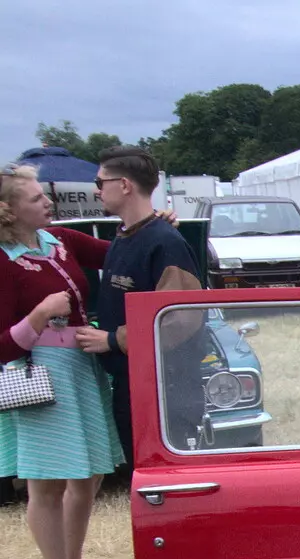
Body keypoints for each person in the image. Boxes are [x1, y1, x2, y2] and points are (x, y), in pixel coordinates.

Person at [0, 164, 123, 559]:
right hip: (40, 377)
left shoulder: (62, 241)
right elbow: (1, 346)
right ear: (8, 212)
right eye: (35, 198)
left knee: (88, 475)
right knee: (46, 485)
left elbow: (120, 255)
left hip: (80, 368)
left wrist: (152, 226)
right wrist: (38, 315)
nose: (47, 202)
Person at [73, 147, 203, 470]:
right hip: (136, 387)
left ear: (125, 185)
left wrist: (113, 340)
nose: (96, 190)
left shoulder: (165, 242)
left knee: (167, 485)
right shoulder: (123, 237)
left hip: (165, 393)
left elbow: (181, 318)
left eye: (100, 182)